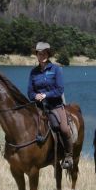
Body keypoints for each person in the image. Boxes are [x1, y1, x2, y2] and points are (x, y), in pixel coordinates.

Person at [27, 41, 74, 170]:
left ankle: (68, 156)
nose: (42, 56)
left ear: (48, 54)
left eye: (44, 53)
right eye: (39, 53)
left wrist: (45, 95)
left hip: (55, 105)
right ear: (36, 55)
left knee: (64, 128)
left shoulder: (56, 69)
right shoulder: (33, 72)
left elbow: (60, 90)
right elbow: (30, 92)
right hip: (39, 107)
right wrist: (35, 96)